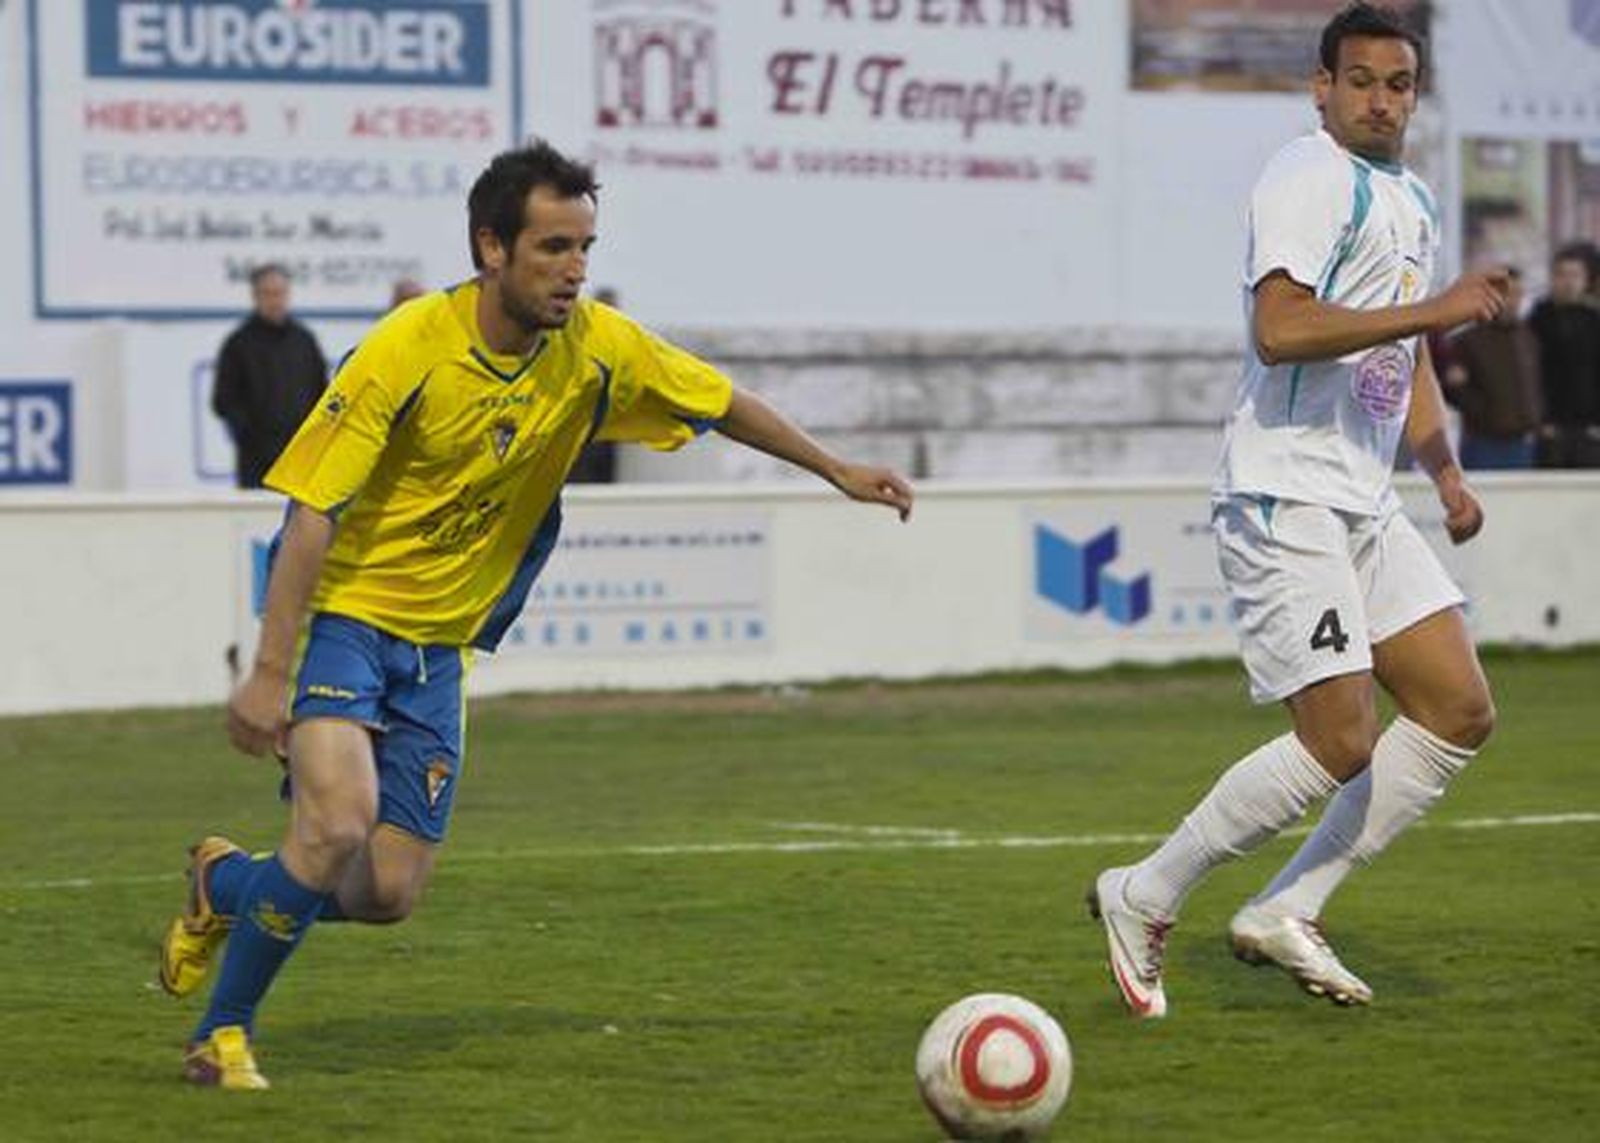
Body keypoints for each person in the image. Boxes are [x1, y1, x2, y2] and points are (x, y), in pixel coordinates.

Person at [159, 139, 915, 1089]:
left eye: (584, 248)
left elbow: (722, 401)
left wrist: (837, 467)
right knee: (336, 823)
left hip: (440, 650)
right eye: (552, 248)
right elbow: (310, 512)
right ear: (491, 248)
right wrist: (270, 670)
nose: (574, 270)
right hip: (343, 621)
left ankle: (224, 883)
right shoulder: (406, 349)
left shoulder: (595, 346)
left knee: (386, 890)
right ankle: (220, 1035)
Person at [1088, 2, 1510, 1019]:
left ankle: (1289, 906)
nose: (1377, 100)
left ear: (1415, 94)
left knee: (1457, 709)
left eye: (1396, 83)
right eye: (1357, 80)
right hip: (1283, 491)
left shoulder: (1406, 195)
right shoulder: (1305, 175)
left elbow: (1399, 358)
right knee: (1339, 737)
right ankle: (1143, 892)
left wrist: (1442, 470)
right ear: (1320, 88)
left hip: (1362, 499)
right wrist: (1434, 310)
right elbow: (1280, 330)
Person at [211, 264, 329, 489]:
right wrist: (249, 435)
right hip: (256, 462)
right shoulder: (239, 343)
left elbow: (322, 394)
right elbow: (223, 400)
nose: (275, 300)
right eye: (268, 294)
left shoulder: (304, 341)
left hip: (301, 458)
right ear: (255, 297)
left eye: (280, 293)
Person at [1441, 266, 1542, 469]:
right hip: (1483, 444)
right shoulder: (1467, 340)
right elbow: (1451, 387)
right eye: (1508, 294)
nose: (1514, 301)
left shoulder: (1529, 337)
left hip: (1523, 443)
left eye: (1519, 295)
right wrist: (1483, 412)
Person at [1527, 244, 1600, 468]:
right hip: (1549, 429)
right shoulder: (1535, 322)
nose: (1569, 282)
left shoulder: (1594, 320)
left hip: (1590, 429)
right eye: (1562, 275)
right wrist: (1541, 420)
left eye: (1575, 275)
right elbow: (1529, 377)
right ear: (1552, 278)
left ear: (1586, 279)